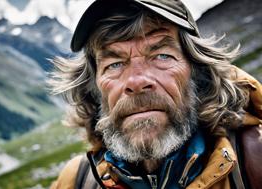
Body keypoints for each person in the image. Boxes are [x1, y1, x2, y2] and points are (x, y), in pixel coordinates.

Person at [49, 0, 262, 188]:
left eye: (162, 55)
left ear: (198, 72)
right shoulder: (76, 181)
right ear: (94, 89)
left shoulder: (256, 159)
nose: (137, 81)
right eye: (114, 64)